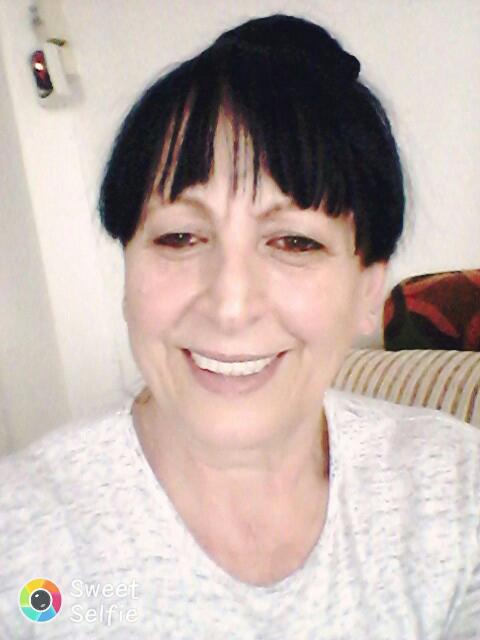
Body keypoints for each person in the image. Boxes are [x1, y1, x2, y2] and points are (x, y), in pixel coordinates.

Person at [1, 13, 478, 639]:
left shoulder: (454, 489)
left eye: (294, 242)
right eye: (179, 236)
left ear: (368, 289)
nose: (230, 305)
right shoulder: (23, 539)